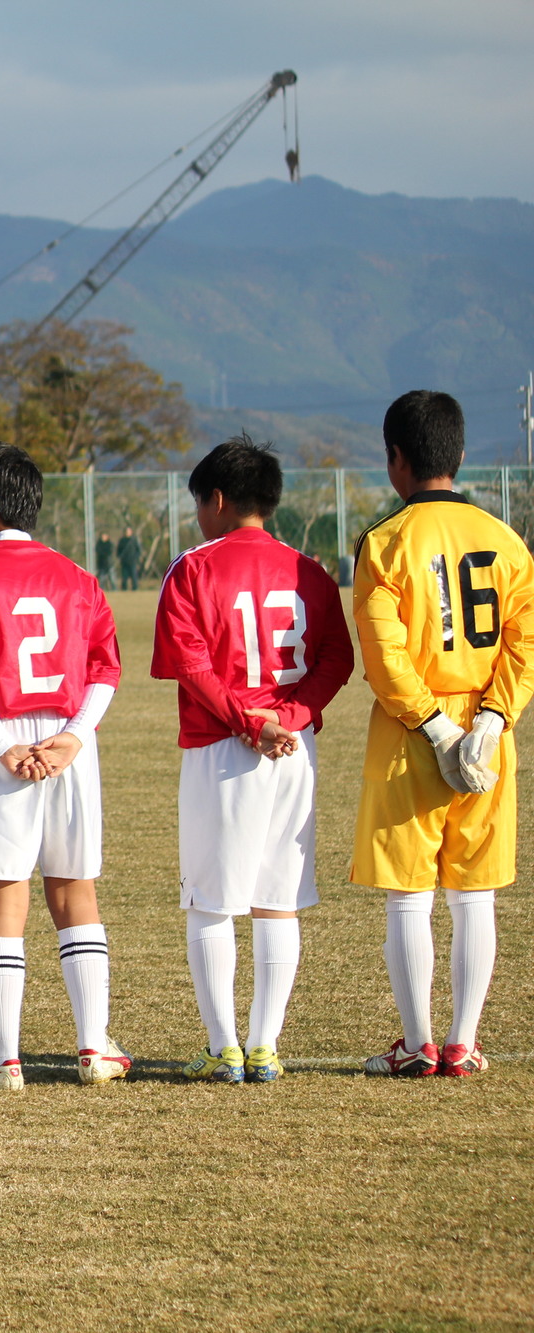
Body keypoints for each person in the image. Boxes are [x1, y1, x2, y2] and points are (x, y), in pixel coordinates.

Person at [152, 436, 352, 1083]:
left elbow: (189, 662)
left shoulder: (193, 566)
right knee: (277, 898)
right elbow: (337, 660)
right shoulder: (310, 570)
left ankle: (222, 1046)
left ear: (215, 499)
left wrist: (250, 721)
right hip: (295, 749)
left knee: (211, 899)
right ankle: (264, 1044)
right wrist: (288, 718)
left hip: (224, 748)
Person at [352, 392, 532, 1078]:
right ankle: (462, 1041)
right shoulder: (507, 540)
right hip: (489, 731)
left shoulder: (387, 542)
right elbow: (526, 640)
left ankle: (417, 1042)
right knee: (473, 890)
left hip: (412, 731)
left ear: (396, 459)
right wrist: (489, 720)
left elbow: (384, 651)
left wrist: (436, 727)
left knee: (409, 891)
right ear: (459, 455)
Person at [0, 442, 128, 1091]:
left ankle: (4, 1056)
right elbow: (107, 665)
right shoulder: (77, 575)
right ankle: (94, 1045)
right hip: (71, 742)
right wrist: (74, 737)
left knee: (2, 895)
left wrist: (1, 744)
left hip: (3, 740)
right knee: (76, 890)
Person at [117, 528, 142, 592]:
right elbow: (118, 551)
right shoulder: (122, 541)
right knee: (124, 577)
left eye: (128, 531)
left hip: (132, 561)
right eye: (126, 531)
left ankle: (135, 588)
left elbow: (138, 551)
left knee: (134, 576)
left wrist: (135, 558)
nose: (127, 533)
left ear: (131, 532)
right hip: (124, 562)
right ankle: (124, 588)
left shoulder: (134, 540)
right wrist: (120, 557)